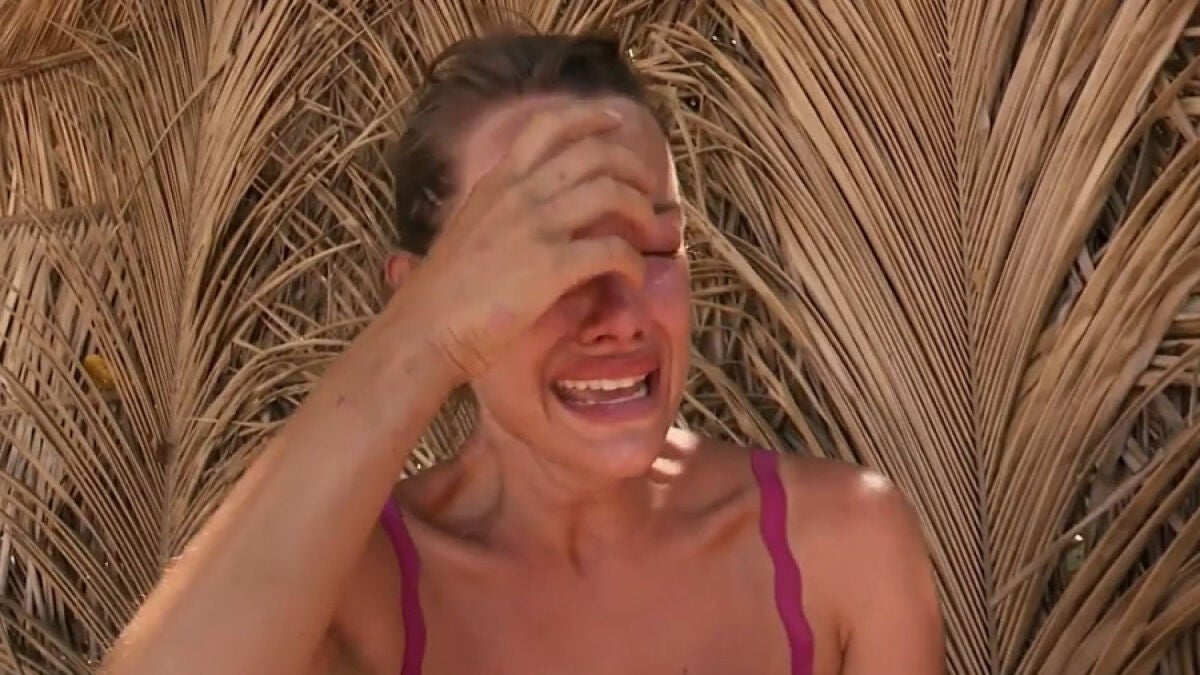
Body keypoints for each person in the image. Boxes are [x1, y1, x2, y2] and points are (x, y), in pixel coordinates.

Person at [98, 31, 945, 675]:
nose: (618, 313)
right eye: (543, 257)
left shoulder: (841, 548)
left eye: (653, 247)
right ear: (423, 292)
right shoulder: (358, 590)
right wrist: (421, 339)